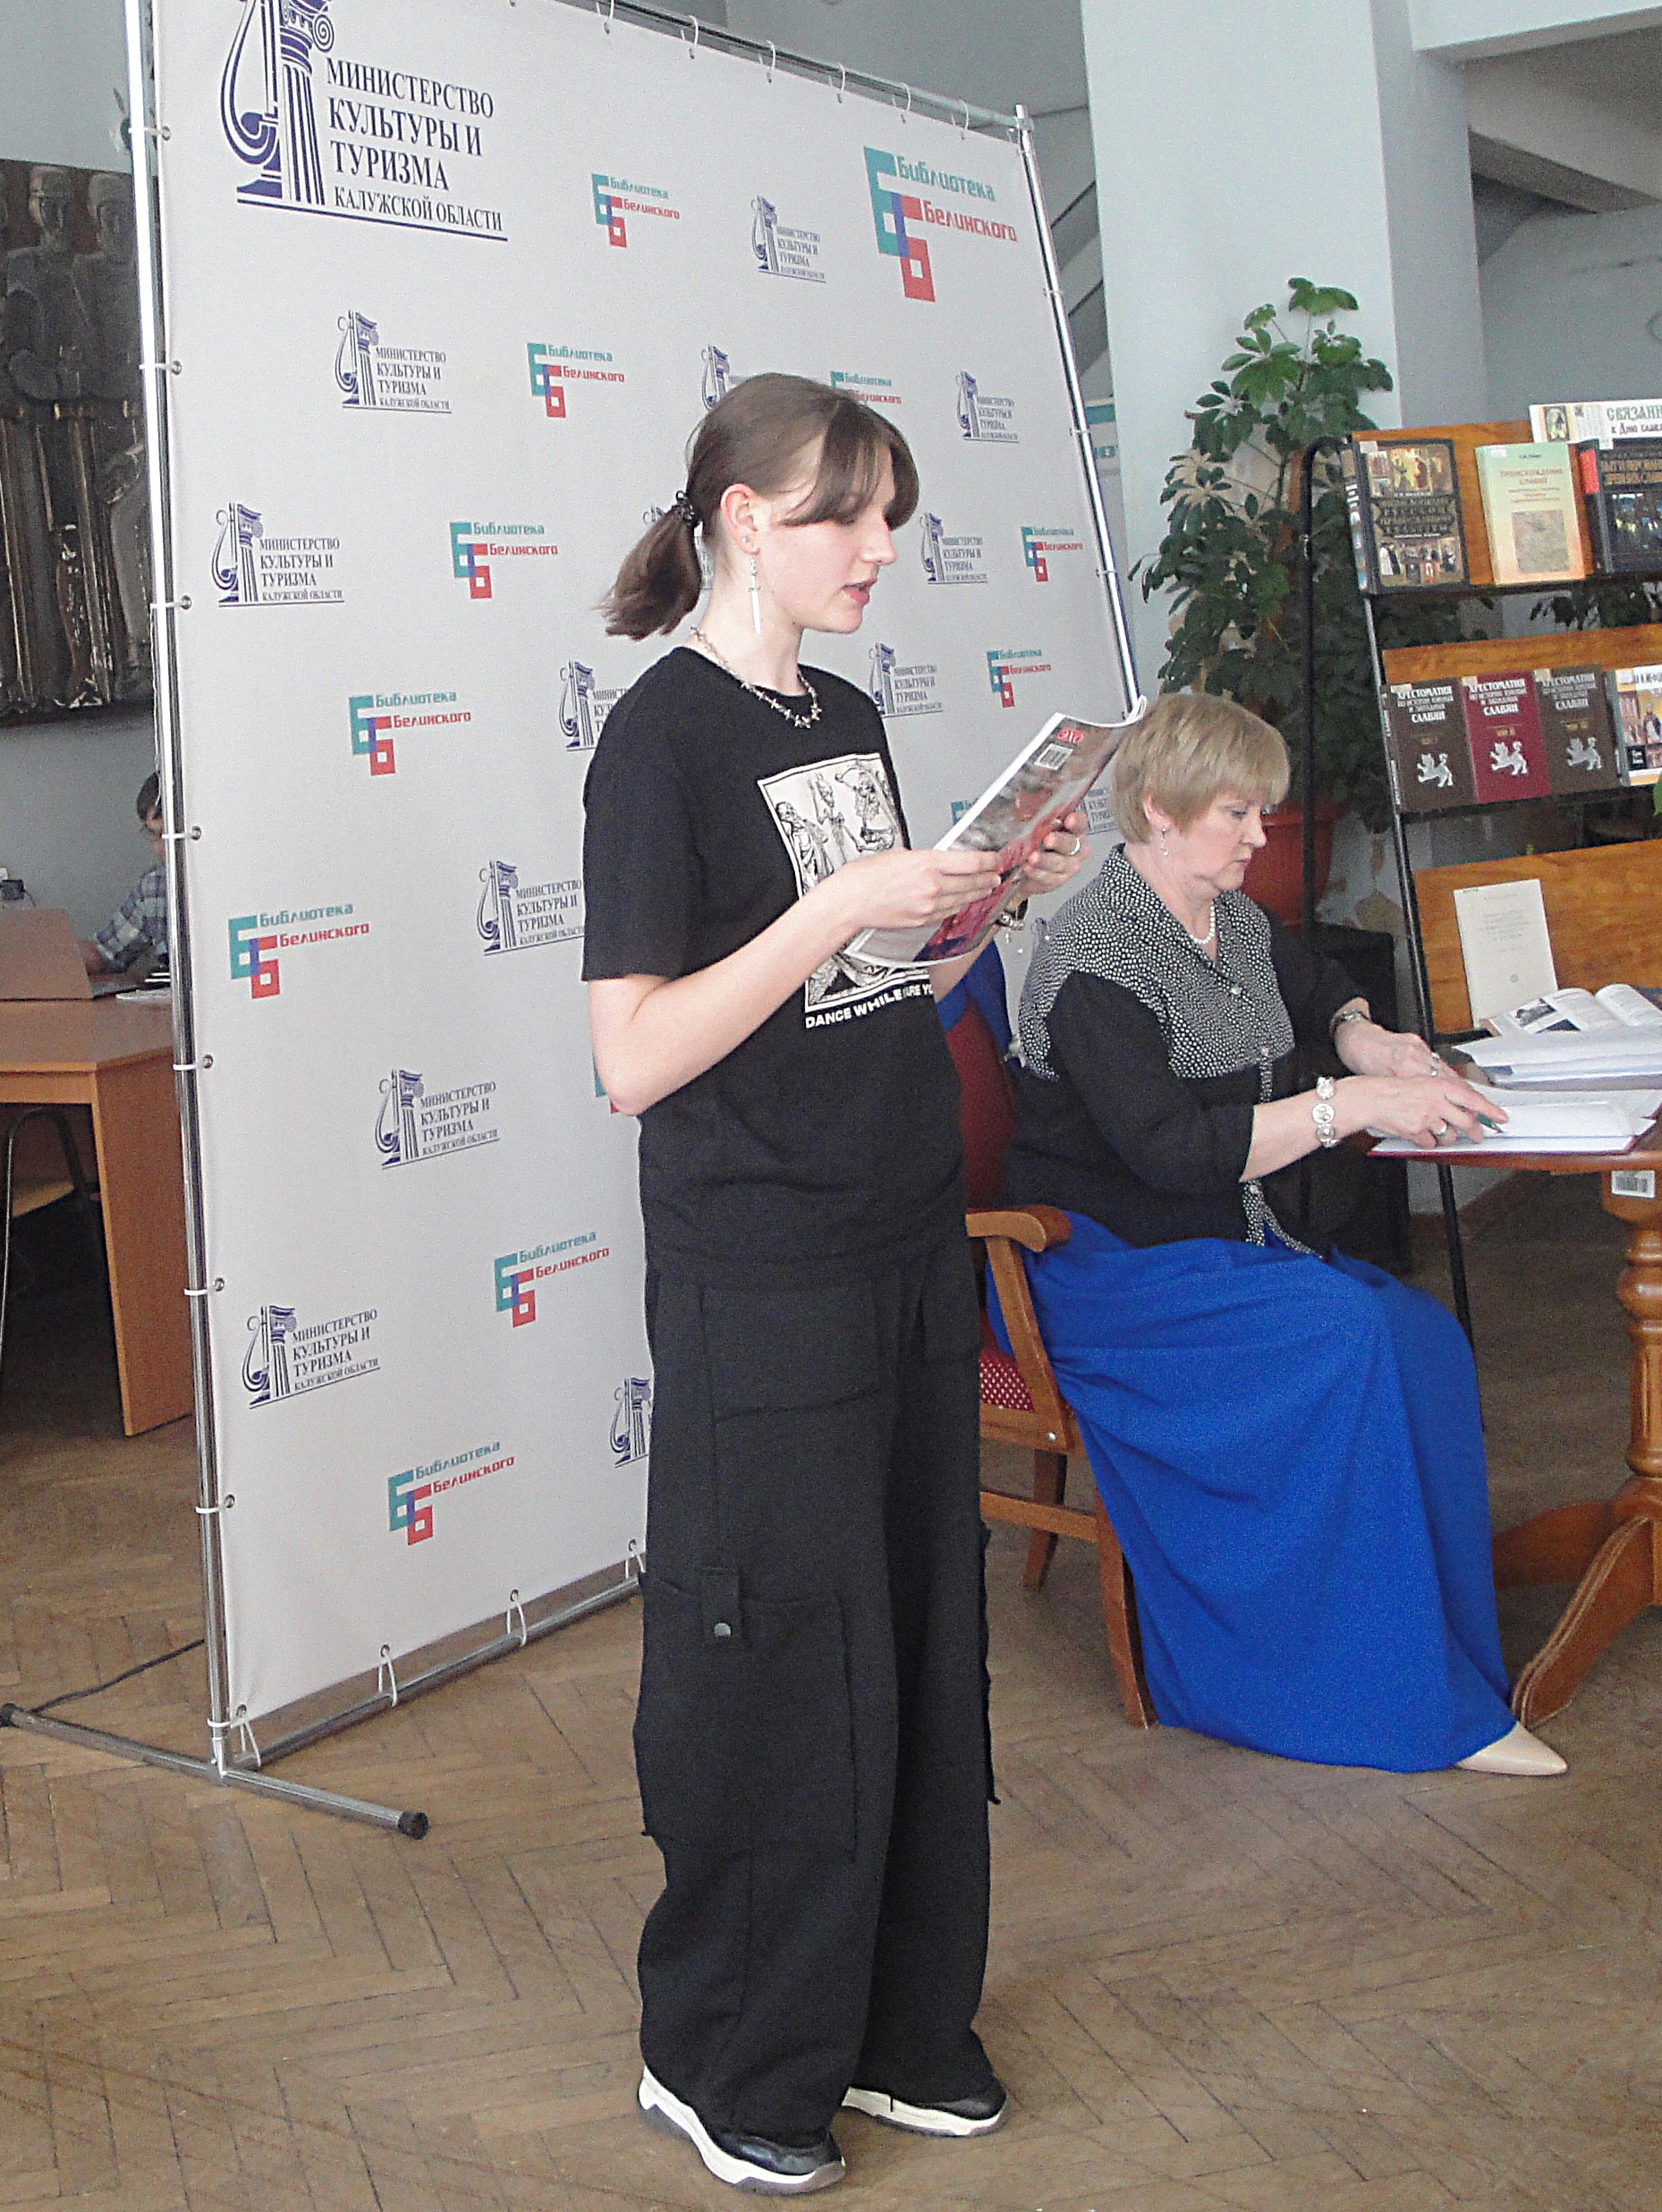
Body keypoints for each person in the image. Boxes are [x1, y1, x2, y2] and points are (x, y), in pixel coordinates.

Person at [582, 372, 1083, 2197]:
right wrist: (836, 904)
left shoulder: (845, 713)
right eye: (844, 516)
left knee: (916, 1637)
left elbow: (863, 990)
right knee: (783, 1661)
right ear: (741, 519)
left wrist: (979, 902)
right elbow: (633, 1056)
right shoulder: (657, 741)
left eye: (888, 517)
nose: (878, 549)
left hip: (897, 1232)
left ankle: (893, 2021)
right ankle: (723, 2048)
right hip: (762, 1267)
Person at [1003, 692, 1564, 1781]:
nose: (1262, 835)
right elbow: (1174, 1154)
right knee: (1347, 1336)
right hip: (1114, 1270)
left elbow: (1324, 990)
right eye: (1238, 813)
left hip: (1231, 1241)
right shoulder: (1091, 962)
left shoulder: (1235, 920)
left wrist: (1365, 1041)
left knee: (1425, 1342)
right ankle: (1383, 1697)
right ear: (1159, 812)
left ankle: (1445, 1656)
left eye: (1262, 810)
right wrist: (1351, 1106)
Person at [89, 772, 168, 977]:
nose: (161, 847)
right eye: (154, 834)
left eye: (168, 834)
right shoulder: (153, 887)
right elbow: (106, 953)